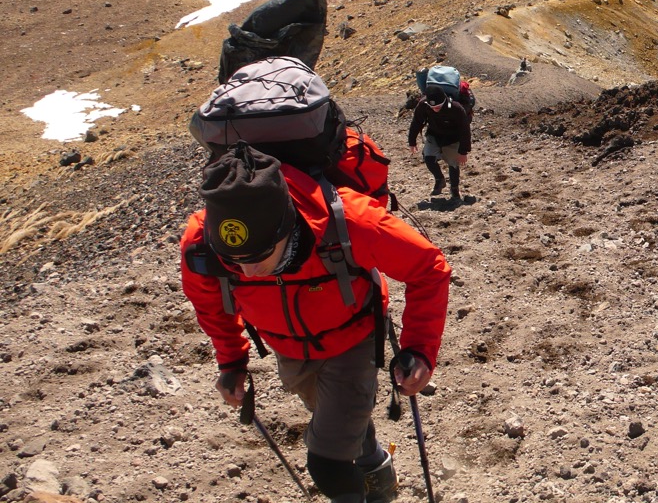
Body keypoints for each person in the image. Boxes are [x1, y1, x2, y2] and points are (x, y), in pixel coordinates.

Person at [180, 145, 451, 503]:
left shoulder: (349, 220)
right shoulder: (201, 244)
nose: (247, 272)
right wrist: (232, 362)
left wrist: (420, 349)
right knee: (336, 421)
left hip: (354, 339)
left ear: (286, 227)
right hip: (287, 348)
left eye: (260, 257)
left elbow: (428, 269)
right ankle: (376, 468)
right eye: (234, 262)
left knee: (328, 464)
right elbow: (211, 305)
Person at [407, 84, 472, 203]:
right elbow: (416, 123)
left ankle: (454, 189)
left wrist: (463, 151)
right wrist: (412, 142)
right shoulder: (423, 105)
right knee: (428, 157)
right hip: (434, 135)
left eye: (438, 106)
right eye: (432, 107)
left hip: (453, 138)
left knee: (453, 163)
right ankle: (439, 179)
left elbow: (465, 130)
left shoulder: (456, 108)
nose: (435, 109)